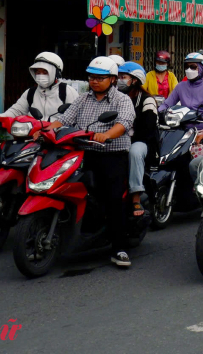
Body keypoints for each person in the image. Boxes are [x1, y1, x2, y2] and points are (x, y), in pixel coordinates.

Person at [47, 57, 136, 267]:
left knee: (114, 199)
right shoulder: (83, 99)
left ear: (113, 79)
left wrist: (106, 135)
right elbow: (65, 119)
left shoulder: (122, 100)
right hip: (84, 154)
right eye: (91, 77)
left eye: (100, 78)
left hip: (112, 155)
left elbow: (123, 123)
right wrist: (47, 129)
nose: (94, 81)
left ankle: (119, 248)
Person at [0, 52, 78, 125]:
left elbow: (76, 116)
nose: (40, 75)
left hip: (59, 139)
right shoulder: (30, 93)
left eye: (45, 72)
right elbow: (17, 111)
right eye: (38, 72)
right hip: (33, 136)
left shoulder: (67, 91)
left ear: (56, 73)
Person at [118, 61, 158, 219]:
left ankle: (135, 197)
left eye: (123, 77)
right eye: (118, 77)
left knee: (134, 153)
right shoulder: (115, 98)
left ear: (135, 80)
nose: (119, 80)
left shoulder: (147, 100)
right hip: (117, 139)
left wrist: (128, 136)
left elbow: (147, 128)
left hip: (142, 141)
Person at [159, 52, 203, 120]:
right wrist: (158, 113)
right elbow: (167, 104)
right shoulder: (180, 86)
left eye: (193, 67)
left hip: (202, 123)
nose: (189, 70)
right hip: (183, 123)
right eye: (187, 67)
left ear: (202, 68)